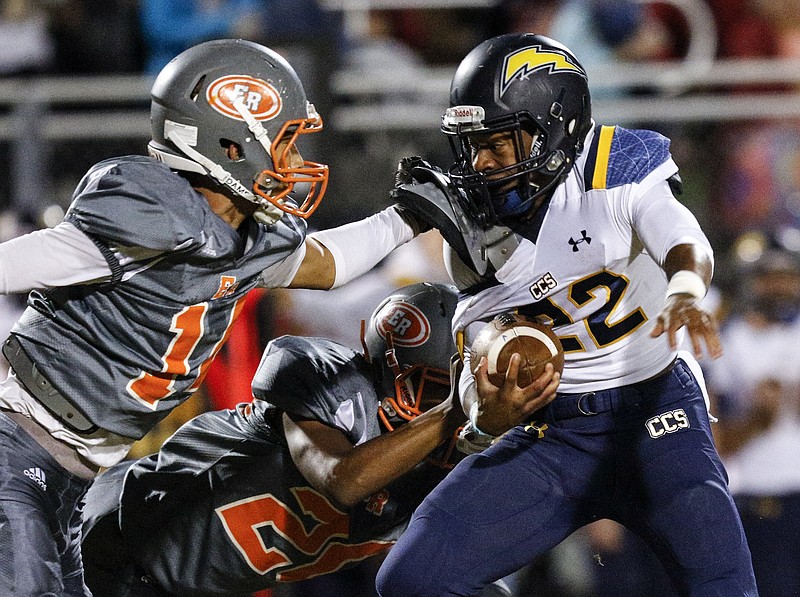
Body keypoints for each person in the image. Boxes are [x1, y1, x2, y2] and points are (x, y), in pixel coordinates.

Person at [0, 39, 425, 596]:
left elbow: (329, 263)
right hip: (17, 443)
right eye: (285, 145)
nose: (295, 164)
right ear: (230, 143)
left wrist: (409, 217)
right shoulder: (153, 213)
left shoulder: (245, 235)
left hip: (76, 474)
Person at [377, 33, 758, 596]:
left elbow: (683, 237)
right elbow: (480, 362)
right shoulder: (475, 230)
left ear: (553, 129)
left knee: (725, 588)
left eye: (499, 144)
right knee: (412, 580)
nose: (480, 165)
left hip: (655, 414)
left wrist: (683, 288)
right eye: (471, 147)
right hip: (553, 430)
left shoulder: (615, 167)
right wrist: (486, 410)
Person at [78, 282, 471, 596]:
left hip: (189, 583)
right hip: (113, 538)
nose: (455, 406)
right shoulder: (326, 378)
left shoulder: (447, 463)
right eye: (435, 390)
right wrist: (450, 410)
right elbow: (344, 480)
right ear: (390, 371)